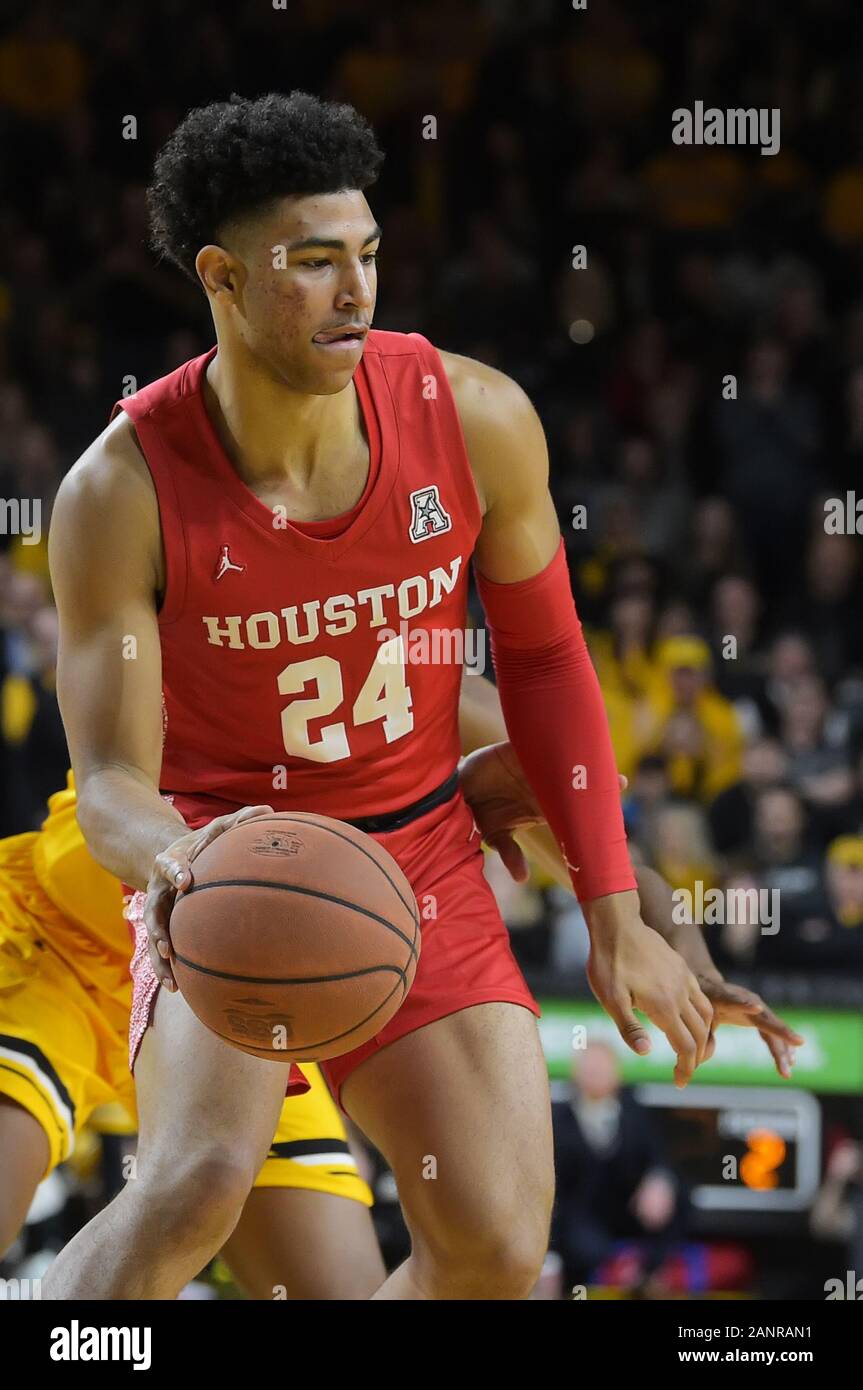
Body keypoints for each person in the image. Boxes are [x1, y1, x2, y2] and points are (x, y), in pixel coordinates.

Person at [45, 90, 719, 1301]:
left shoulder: (472, 416)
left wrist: (617, 911)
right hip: (228, 860)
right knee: (194, 1181)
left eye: (365, 255)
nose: (356, 291)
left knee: (498, 1248)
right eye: (312, 263)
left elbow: (552, 667)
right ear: (223, 276)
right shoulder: (121, 488)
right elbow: (108, 786)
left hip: (423, 848)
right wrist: (183, 863)